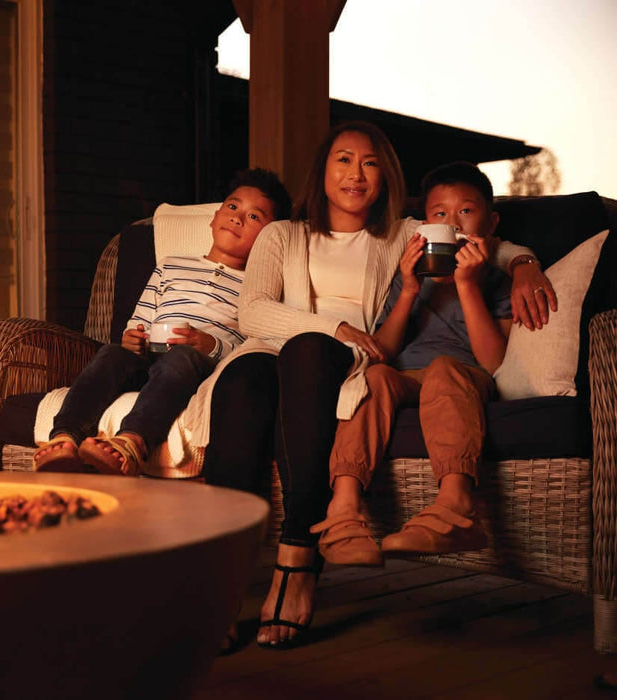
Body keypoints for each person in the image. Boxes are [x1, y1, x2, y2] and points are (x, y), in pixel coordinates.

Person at [188, 122, 557, 651]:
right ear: (323, 170)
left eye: (369, 163)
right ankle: (216, 581)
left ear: (385, 178)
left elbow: (475, 237)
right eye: (343, 159)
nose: (355, 174)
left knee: (310, 354)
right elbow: (254, 311)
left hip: (343, 361)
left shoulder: (403, 234)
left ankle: (297, 560)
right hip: (276, 347)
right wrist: (332, 326)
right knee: (242, 380)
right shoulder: (281, 233)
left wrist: (523, 264)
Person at [311, 161, 511, 567]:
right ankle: (344, 511)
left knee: (442, 368)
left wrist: (467, 285)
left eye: (466, 212)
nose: (452, 223)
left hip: (462, 376)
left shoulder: (494, 279)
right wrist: (409, 291)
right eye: (440, 214)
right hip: (402, 375)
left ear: (490, 223)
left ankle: (457, 509)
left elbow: (494, 362)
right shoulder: (407, 279)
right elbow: (382, 348)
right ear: (425, 225)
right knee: (373, 378)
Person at [32, 168, 293, 476]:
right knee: (112, 354)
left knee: (181, 358)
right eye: (233, 207)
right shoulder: (171, 265)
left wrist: (210, 345)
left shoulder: (255, 284)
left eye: (254, 217)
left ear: (269, 237)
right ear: (214, 217)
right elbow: (142, 316)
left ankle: (130, 443)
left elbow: (252, 345)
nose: (237, 218)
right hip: (148, 357)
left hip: (198, 370)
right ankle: (63, 437)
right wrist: (133, 336)